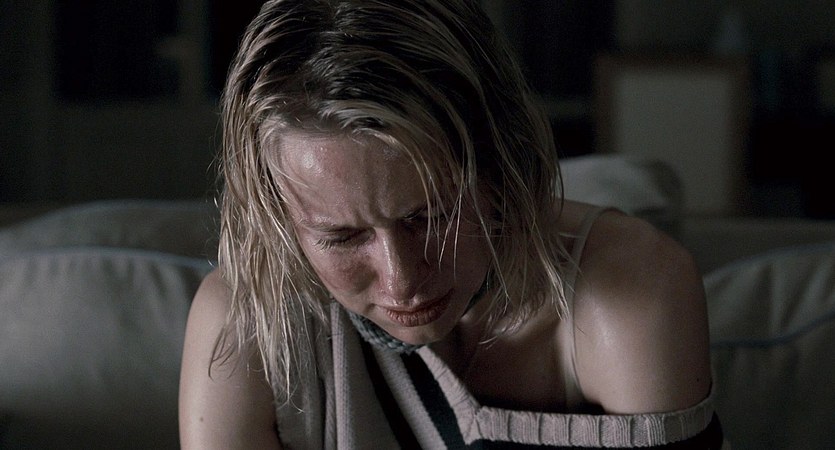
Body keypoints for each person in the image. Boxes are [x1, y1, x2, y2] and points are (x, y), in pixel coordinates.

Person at [179, 0, 725, 448]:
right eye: (341, 237)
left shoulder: (632, 291)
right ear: (280, 219)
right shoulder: (243, 322)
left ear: (500, 166)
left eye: (432, 217)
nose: (402, 281)